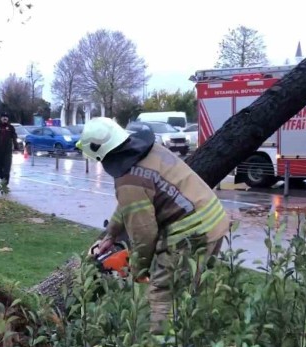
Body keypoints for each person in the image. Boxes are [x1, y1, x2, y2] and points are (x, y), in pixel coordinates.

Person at [77, 117, 230, 335]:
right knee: (189, 290)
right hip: (214, 222)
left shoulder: (129, 179)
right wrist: (111, 235)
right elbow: (130, 205)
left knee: (161, 295)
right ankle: (195, 341)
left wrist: (138, 270)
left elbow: (144, 234)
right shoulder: (151, 150)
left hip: (190, 235)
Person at [0, 112, 19, 187]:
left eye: (6, 117)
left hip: (7, 151)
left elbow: (14, 138)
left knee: (7, 170)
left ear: (8, 119)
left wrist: (16, 147)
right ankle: (2, 178)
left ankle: (5, 184)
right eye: (3, 117)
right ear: (1, 118)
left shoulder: (11, 128)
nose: (5, 118)